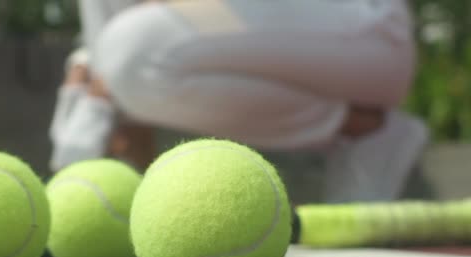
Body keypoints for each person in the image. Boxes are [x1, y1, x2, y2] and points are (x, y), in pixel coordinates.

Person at [48, 0, 428, 203]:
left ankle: (361, 125)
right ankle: (84, 176)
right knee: (119, 55)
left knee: (129, 53)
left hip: (361, 26)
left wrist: (101, 87)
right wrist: (91, 75)